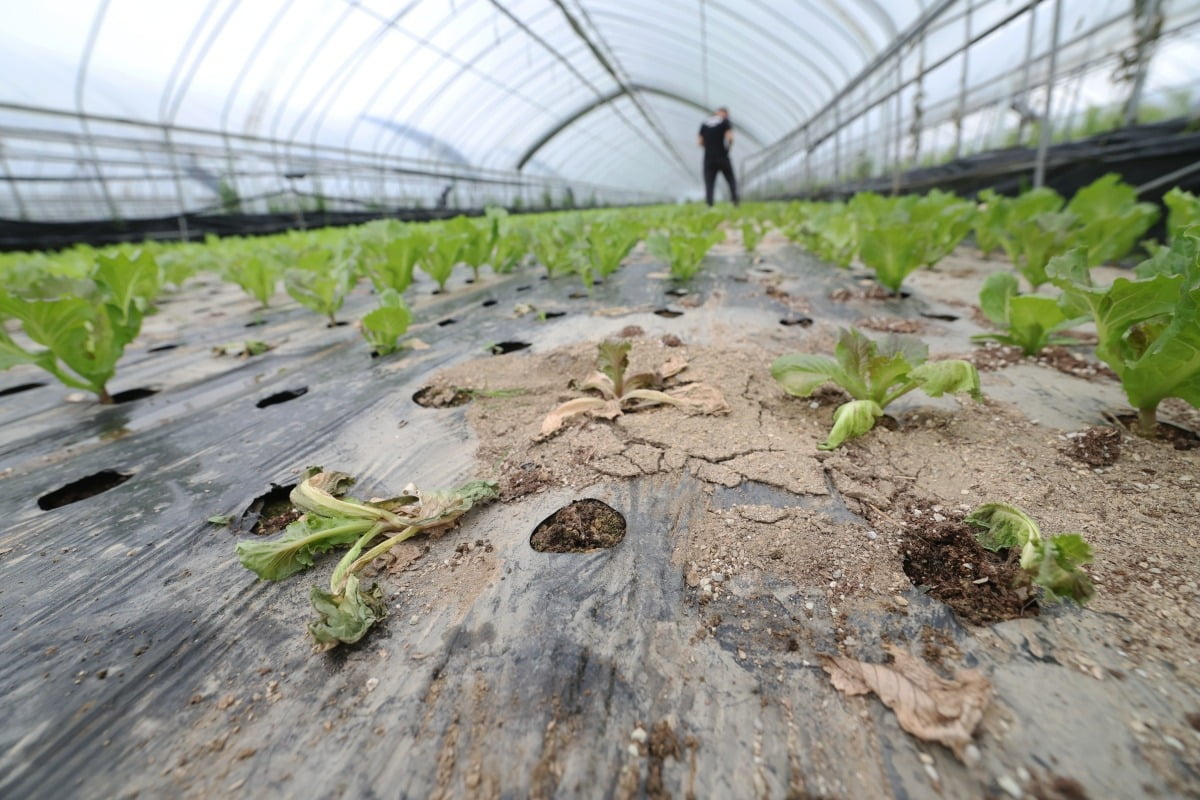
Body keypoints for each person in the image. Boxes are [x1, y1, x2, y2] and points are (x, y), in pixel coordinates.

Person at [698, 107, 738, 206]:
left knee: (709, 182)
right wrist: (728, 148)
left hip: (708, 158)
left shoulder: (704, 124)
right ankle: (735, 201)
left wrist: (708, 148)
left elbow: (700, 142)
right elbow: (730, 138)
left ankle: (709, 204)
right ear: (722, 113)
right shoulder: (725, 122)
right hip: (722, 156)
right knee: (730, 179)